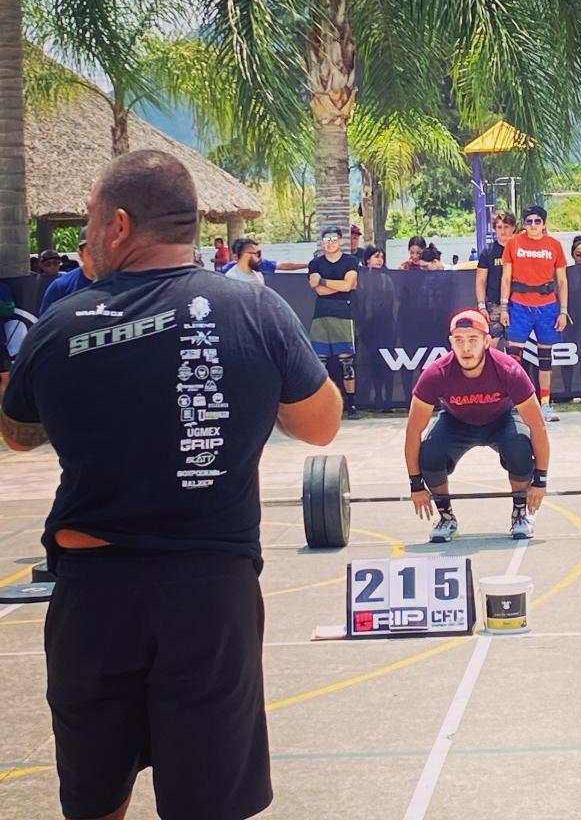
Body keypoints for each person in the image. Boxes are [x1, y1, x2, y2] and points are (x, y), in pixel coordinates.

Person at [0, 149, 341, 820]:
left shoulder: (60, 325)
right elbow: (321, 424)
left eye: (91, 220)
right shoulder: (256, 310)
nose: (87, 236)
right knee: (208, 803)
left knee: (96, 799)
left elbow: (17, 432)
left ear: (120, 224)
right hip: (210, 593)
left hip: (94, 590)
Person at [404, 308, 549, 541]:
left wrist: (540, 480)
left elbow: (538, 426)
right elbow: (413, 431)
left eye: (473, 339)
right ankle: (446, 517)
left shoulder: (509, 370)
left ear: (486, 342)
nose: (466, 348)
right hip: (456, 422)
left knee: (520, 450)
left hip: (502, 419)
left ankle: (520, 513)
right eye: (459, 340)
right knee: (430, 455)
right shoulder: (435, 374)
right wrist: (416, 485)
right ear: (451, 342)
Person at [501, 204, 568, 423]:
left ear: (544, 223)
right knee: (514, 358)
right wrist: (504, 307)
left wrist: (563, 311)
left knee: (545, 358)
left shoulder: (554, 245)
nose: (533, 225)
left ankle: (545, 404)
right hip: (519, 304)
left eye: (537, 221)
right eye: (529, 221)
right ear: (524, 223)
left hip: (547, 306)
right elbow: (506, 278)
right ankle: (514, 404)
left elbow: (562, 281)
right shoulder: (513, 243)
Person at [309, 226, 361, 420]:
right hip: (321, 315)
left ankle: (351, 405)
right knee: (320, 362)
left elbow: (348, 285)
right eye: (326, 239)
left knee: (347, 362)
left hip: (343, 315)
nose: (330, 243)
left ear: (340, 241)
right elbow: (316, 288)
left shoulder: (350, 261)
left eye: (333, 239)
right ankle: (321, 405)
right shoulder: (315, 263)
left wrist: (323, 281)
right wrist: (338, 285)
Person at [476, 210, 516, 346]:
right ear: (494, 229)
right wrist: (482, 306)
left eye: (506, 227)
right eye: (499, 227)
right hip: (494, 303)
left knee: (514, 344)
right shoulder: (488, 252)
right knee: (492, 343)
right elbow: (481, 281)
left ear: (513, 228)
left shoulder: (519, 250)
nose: (503, 231)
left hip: (517, 303)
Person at [39, 235, 95, 313]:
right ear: (80, 254)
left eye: (56, 263)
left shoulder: (63, 277)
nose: (52, 266)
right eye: (48, 264)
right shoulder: (61, 285)